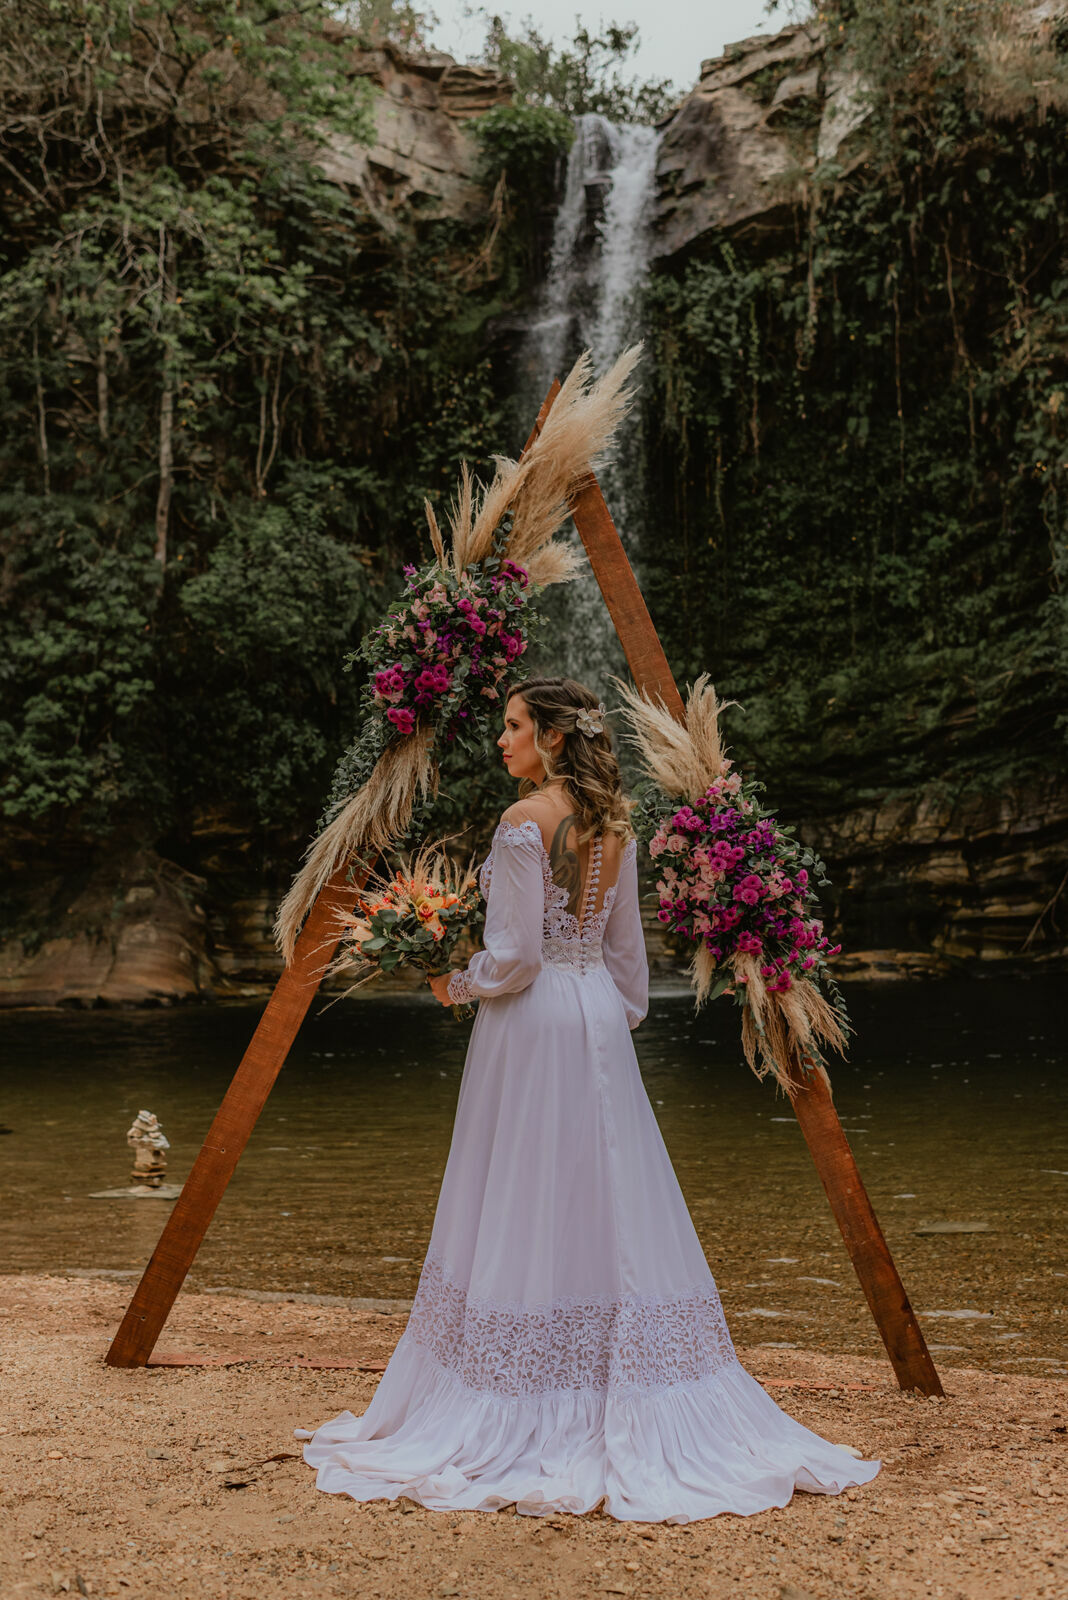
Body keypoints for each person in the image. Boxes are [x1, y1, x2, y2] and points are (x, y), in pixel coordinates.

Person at [296, 675, 880, 1521]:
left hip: (531, 1022)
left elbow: (517, 958)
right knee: (607, 1189)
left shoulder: (522, 822)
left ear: (554, 736)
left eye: (514, 726)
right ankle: (621, 1367)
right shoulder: (614, 823)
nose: (502, 740)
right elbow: (628, 962)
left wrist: (455, 982)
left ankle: (523, 1389)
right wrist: (608, 1015)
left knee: (524, 1186)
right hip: (597, 1017)